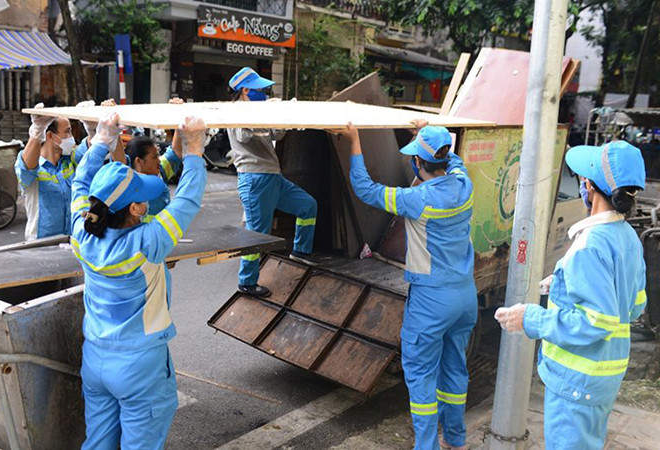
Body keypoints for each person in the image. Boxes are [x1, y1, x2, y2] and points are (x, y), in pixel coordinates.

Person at [69, 111, 208, 449]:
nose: (149, 200)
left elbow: (79, 184)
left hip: (96, 359)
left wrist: (101, 141)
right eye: (142, 197)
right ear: (134, 209)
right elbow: (188, 199)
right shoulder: (148, 243)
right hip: (139, 367)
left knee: (98, 442)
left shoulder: (81, 234)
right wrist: (195, 150)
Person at [495, 141, 646, 449]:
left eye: (581, 179)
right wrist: (563, 285)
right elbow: (632, 306)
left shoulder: (589, 245)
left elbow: (595, 321)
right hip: (604, 375)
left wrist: (530, 318)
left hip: (578, 382)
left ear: (588, 187)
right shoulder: (628, 237)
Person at [337, 122, 476, 450]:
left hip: (432, 300)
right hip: (465, 296)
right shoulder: (464, 183)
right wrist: (427, 134)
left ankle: (426, 446)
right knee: (455, 367)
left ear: (417, 163)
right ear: (446, 157)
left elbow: (364, 188)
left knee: (421, 374)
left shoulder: (416, 199)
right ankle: (455, 439)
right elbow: (452, 160)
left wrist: (354, 139)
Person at [227, 66, 318, 298]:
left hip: (272, 176)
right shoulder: (236, 111)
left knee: (308, 206)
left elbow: (276, 134)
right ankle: (246, 282)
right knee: (257, 234)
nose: (264, 93)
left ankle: (301, 252)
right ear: (245, 90)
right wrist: (266, 114)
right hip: (255, 177)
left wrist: (286, 116)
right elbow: (244, 136)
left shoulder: (259, 112)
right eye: (260, 89)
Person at [16, 100, 108, 240]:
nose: (71, 137)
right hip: (42, 244)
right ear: (51, 136)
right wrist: (38, 130)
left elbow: (92, 150)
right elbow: (26, 168)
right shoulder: (34, 164)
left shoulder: (70, 159)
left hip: (74, 240)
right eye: (67, 132)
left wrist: (93, 128)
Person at [125, 99, 185, 222]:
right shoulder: (125, 184)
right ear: (138, 161)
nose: (158, 160)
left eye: (158, 156)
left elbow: (176, 152)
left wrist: (180, 117)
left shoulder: (160, 171)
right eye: (154, 157)